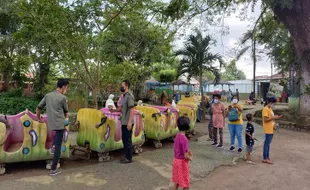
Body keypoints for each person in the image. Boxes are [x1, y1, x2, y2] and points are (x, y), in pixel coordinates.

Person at [36, 78, 69, 176]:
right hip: (60, 124)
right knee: (59, 145)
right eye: (66, 87)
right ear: (63, 87)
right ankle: (53, 169)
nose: (66, 89)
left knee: (56, 139)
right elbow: (66, 111)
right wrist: (66, 119)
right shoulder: (63, 98)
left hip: (51, 123)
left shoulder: (47, 95)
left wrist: (39, 119)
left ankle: (52, 148)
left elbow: (38, 108)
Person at [110, 80, 135, 163]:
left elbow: (132, 109)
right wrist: (113, 110)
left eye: (122, 85)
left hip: (128, 122)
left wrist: (129, 122)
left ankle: (129, 158)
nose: (121, 87)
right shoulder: (124, 96)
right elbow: (121, 108)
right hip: (124, 121)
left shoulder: (129, 96)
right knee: (124, 139)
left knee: (127, 140)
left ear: (127, 86)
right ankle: (126, 155)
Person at [172, 116, 193, 190]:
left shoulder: (177, 135)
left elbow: (179, 148)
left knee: (177, 181)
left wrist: (186, 151)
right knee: (185, 182)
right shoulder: (184, 139)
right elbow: (185, 156)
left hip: (176, 161)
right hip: (182, 163)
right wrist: (190, 158)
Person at [262, 97, 282, 164]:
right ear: (270, 102)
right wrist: (273, 117)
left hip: (271, 127)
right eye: (274, 103)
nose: (274, 105)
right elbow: (265, 120)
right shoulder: (265, 109)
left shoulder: (270, 109)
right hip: (268, 128)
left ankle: (267, 157)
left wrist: (275, 117)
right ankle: (265, 158)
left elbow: (270, 118)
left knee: (268, 144)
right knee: (266, 144)